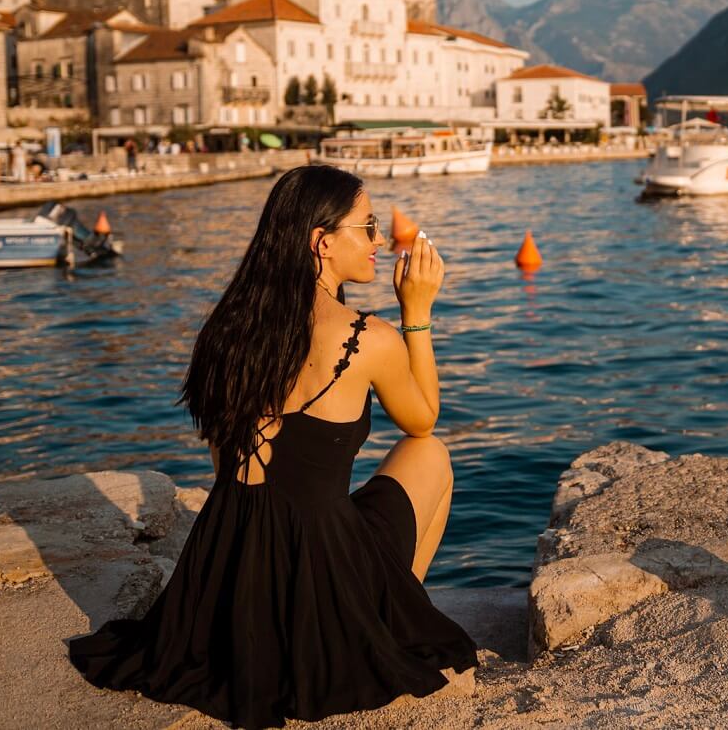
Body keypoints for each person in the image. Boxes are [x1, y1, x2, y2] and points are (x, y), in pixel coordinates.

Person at [68, 165, 474, 728]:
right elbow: (423, 420)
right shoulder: (368, 339)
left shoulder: (226, 327)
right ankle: (391, 619)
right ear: (322, 242)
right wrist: (418, 313)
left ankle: (378, 609)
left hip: (226, 571)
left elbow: (224, 463)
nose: (381, 240)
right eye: (369, 226)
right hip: (320, 563)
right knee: (430, 454)